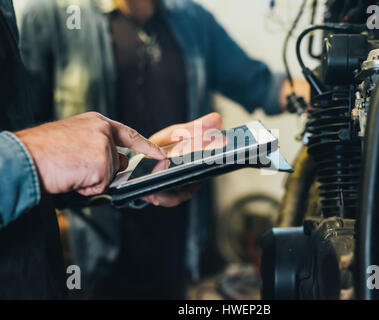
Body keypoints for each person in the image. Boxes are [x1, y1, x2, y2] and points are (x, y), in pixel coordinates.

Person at [19, 0, 310, 298]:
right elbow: (27, 132)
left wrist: (326, 89)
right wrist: (52, 221)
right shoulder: (54, 16)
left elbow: (260, 84)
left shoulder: (193, 20)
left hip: (174, 233)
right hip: (92, 245)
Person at [0, 0, 217, 298]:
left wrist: (139, 168)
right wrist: (31, 156)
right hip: (94, 253)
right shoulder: (55, 15)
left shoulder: (192, 18)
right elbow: (35, 142)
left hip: (165, 234)